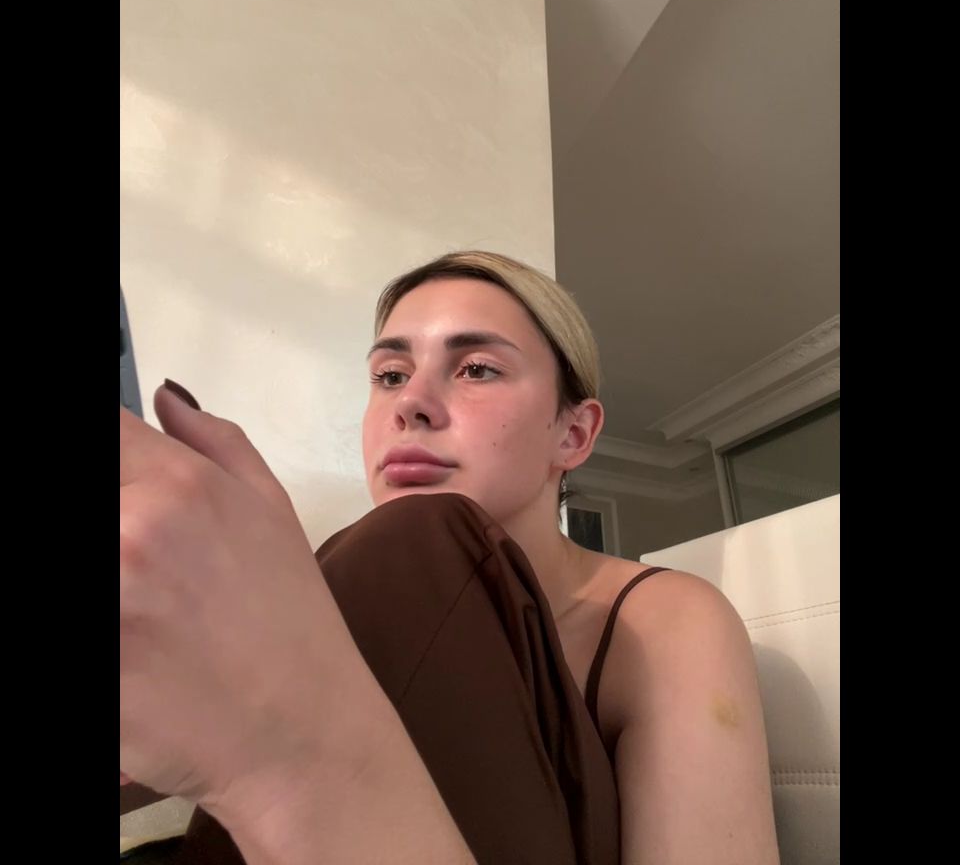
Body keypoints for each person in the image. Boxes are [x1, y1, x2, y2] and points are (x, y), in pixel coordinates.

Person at [120, 250, 780, 864]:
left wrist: (283, 754)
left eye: (477, 369)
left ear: (573, 433)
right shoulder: (326, 584)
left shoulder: (665, 619)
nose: (409, 404)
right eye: (390, 376)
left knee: (415, 535)